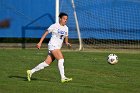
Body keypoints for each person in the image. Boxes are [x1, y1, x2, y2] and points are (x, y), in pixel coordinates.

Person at [27, 12, 72, 83]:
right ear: (60, 19)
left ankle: (30, 71)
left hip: (57, 47)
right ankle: (63, 77)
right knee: (61, 59)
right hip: (52, 45)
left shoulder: (66, 28)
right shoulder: (55, 25)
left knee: (46, 63)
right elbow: (46, 33)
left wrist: (67, 43)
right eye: (64, 19)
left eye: (66, 19)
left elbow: (66, 37)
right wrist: (40, 42)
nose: (65, 20)